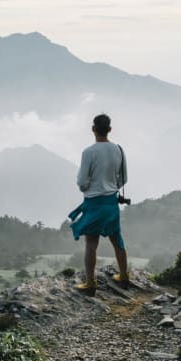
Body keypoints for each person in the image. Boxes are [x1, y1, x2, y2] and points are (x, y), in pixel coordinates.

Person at [68, 114, 129, 296]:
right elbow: (123, 178)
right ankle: (124, 276)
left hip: (93, 203)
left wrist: (90, 187)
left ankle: (90, 283)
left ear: (93, 129)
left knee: (91, 243)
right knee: (117, 240)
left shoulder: (89, 152)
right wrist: (111, 187)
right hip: (111, 202)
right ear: (110, 129)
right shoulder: (118, 150)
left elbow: (81, 182)